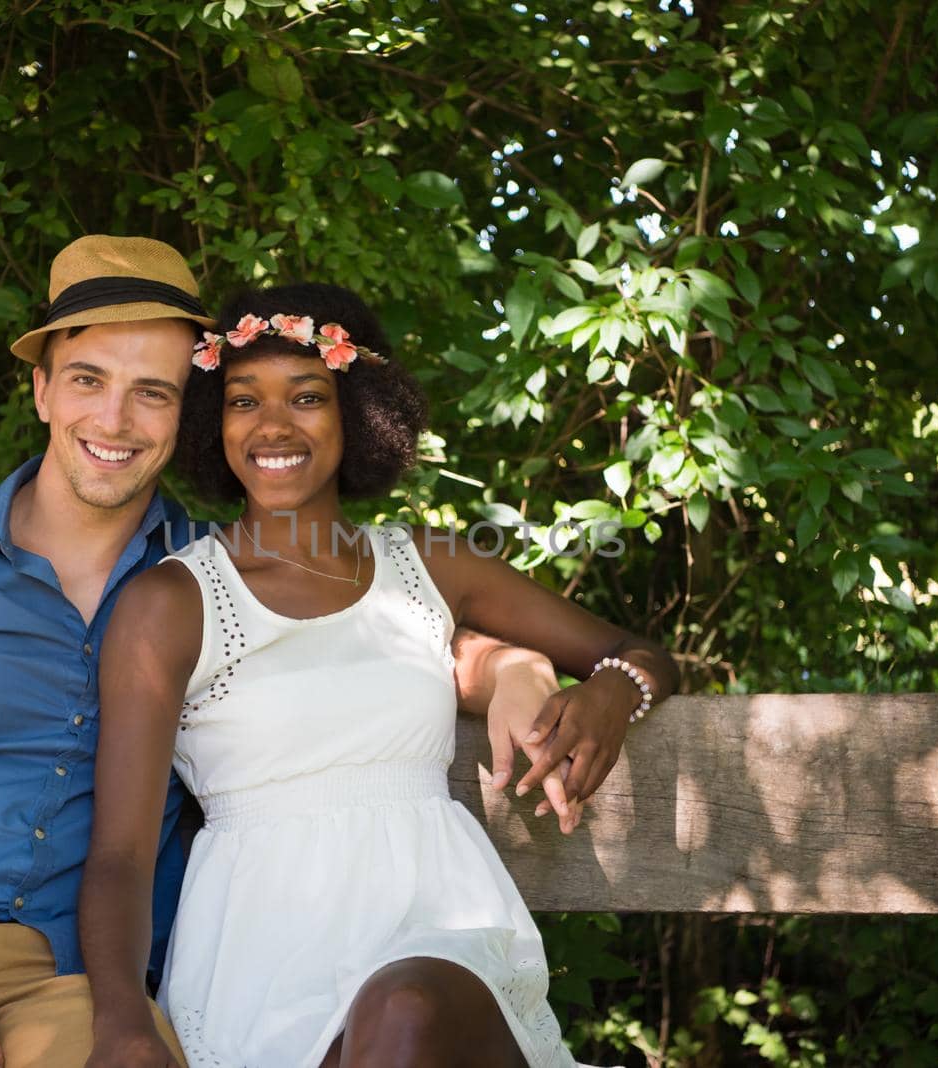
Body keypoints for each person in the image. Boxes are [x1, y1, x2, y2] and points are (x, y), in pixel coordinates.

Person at [0, 239, 637, 1068]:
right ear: (41, 389)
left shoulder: (215, 574)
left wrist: (517, 665)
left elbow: (380, 632)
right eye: (86, 379)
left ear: (185, 417)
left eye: (153, 390)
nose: (115, 419)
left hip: (73, 993)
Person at [80, 283, 679, 1067]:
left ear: (357, 413)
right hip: (264, 959)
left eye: (306, 397)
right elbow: (119, 857)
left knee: (406, 1008)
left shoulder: (432, 563)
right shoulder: (172, 601)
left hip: (437, 931)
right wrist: (122, 1022)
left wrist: (609, 691)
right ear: (211, 423)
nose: (272, 426)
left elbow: (645, 654)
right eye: (241, 401)